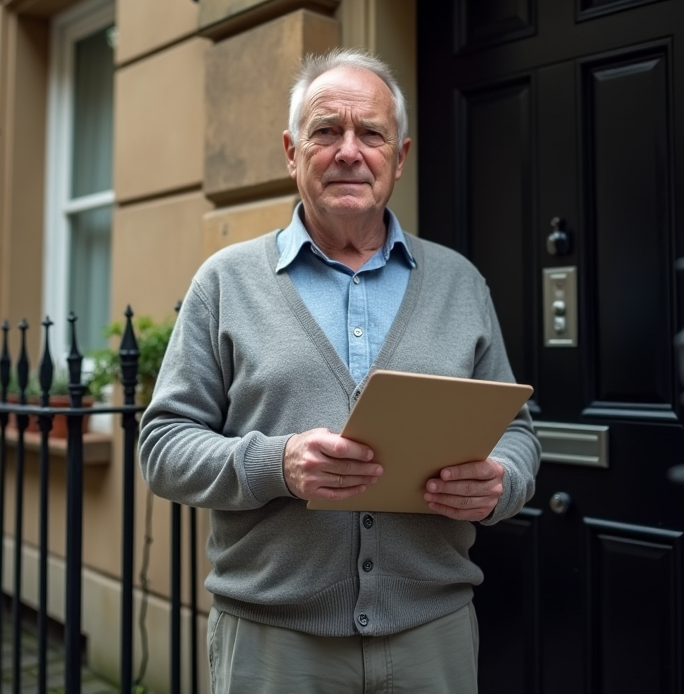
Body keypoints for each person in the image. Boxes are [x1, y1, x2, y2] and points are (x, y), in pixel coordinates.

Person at [139, 48, 540, 694]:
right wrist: (278, 462)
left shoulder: (459, 283)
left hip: (430, 636)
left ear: (399, 157)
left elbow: (517, 433)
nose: (349, 150)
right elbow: (161, 447)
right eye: (326, 130)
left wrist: (501, 484)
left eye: (370, 134)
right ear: (292, 153)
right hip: (275, 645)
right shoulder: (226, 283)